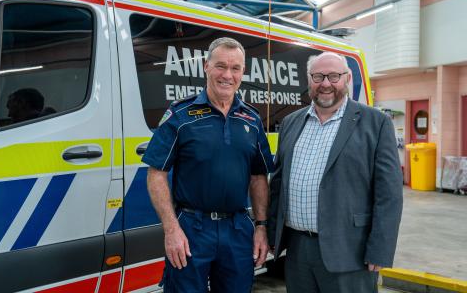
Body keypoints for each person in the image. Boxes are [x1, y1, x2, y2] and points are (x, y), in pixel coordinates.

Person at [142, 37, 274, 292]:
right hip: (192, 229)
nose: (228, 75)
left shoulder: (252, 119)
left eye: (235, 68)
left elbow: (259, 177)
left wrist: (261, 227)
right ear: (206, 67)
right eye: (220, 66)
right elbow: (156, 173)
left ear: (242, 72)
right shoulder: (181, 115)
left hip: (237, 229)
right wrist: (172, 229)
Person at [268, 52, 403, 293]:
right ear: (309, 80)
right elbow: (278, 185)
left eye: (334, 76)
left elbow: (389, 194)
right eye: (318, 76)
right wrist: (270, 235)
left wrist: (380, 249)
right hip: (297, 250)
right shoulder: (291, 122)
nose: (326, 84)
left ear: (347, 78)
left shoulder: (375, 123)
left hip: (351, 251)